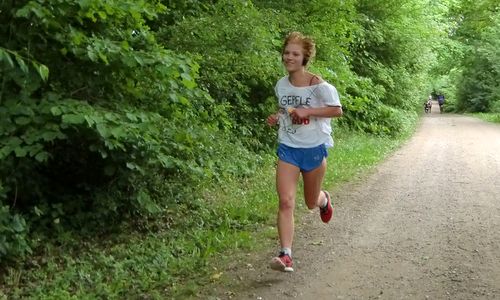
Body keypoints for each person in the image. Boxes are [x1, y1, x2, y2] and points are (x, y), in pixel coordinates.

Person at [266, 32, 343, 272]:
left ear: (304, 58)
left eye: (295, 54)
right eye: (286, 52)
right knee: (286, 201)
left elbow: (336, 110)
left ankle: (323, 199)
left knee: (310, 202)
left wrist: (307, 112)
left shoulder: (319, 86)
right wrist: (278, 116)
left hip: (314, 147)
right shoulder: (281, 84)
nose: (289, 57)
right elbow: (286, 109)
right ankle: (286, 254)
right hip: (288, 147)